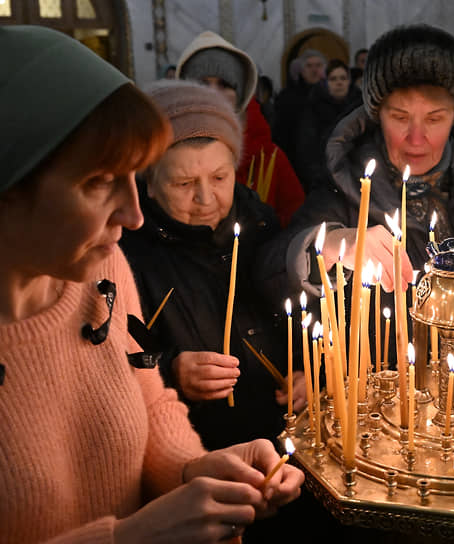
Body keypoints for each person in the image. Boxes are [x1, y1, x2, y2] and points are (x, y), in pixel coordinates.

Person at [0, 25, 302, 542]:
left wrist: (196, 470)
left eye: (132, 178)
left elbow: (149, 403)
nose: (136, 216)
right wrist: (131, 536)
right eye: (98, 182)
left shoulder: (102, 271)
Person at [269, 24, 454, 300]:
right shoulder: (348, 185)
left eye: (434, 118)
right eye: (400, 118)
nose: (416, 139)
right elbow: (268, 271)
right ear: (378, 115)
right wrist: (328, 244)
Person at [177, 31, 304, 226]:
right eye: (202, 84)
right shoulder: (166, 156)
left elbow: (296, 221)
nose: (212, 93)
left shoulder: (269, 158)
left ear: (241, 95)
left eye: (225, 84)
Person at [295, 59, 363, 193]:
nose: (339, 82)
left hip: (355, 178)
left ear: (349, 81)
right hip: (323, 179)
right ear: (326, 82)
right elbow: (307, 147)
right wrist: (317, 177)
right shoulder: (313, 108)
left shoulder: (359, 108)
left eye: (343, 78)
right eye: (333, 79)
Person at [272, 49, 327, 164]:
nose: (314, 70)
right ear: (301, 71)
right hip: (295, 157)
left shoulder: (330, 95)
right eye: (309, 66)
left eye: (318, 65)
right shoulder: (288, 96)